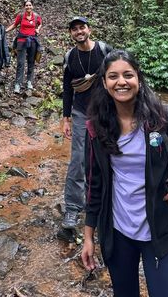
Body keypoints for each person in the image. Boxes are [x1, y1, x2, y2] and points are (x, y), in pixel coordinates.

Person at [81, 49, 168, 297]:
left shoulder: (163, 118)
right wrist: (88, 237)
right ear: (105, 83)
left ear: (138, 78)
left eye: (128, 75)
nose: (121, 82)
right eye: (113, 76)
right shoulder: (97, 127)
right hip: (118, 231)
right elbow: (94, 183)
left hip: (160, 226)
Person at [61, 16, 112, 230]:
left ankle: (107, 204)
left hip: (105, 113)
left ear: (89, 29)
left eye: (82, 27)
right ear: (71, 34)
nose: (79, 32)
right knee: (78, 160)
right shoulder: (70, 57)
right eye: (74, 29)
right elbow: (67, 89)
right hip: (81, 113)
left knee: (107, 157)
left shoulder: (104, 50)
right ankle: (72, 208)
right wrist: (66, 119)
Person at [6, 0, 42, 93]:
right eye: (26, 5)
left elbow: (40, 24)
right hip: (21, 41)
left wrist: (38, 29)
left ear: (32, 6)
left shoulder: (36, 16)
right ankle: (18, 83)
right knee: (20, 63)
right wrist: (5, 31)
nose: (28, 7)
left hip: (33, 41)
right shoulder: (21, 16)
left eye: (30, 5)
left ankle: (29, 81)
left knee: (31, 62)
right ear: (24, 7)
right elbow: (14, 25)